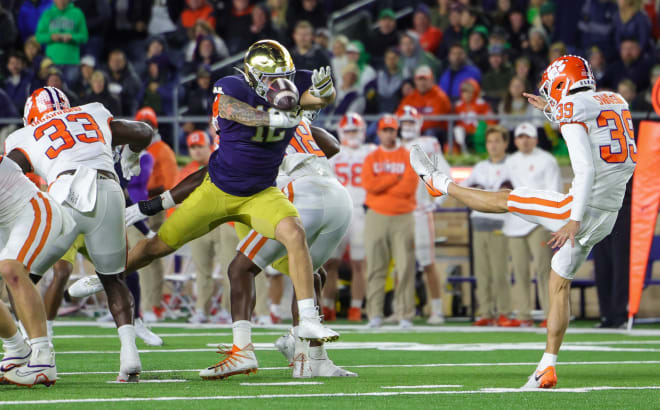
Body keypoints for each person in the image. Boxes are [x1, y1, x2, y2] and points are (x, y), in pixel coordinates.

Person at [410, 55, 636, 388]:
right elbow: (597, 130)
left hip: (578, 209)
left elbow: (585, 167)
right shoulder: (616, 99)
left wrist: (573, 219)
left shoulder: (573, 108)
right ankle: (547, 365)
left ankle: (439, 184)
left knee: (505, 199)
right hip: (607, 213)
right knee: (558, 282)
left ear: (562, 83)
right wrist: (552, 108)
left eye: (553, 89)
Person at [122, 40, 338, 349]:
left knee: (294, 233)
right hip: (218, 190)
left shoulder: (294, 83)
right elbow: (232, 110)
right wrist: (273, 119)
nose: (279, 84)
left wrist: (327, 92)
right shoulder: (232, 87)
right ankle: (110, 272)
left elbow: (320, 100)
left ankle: (307, 319)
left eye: (284, 76)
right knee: (158, 246)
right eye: (269, 78)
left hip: (261, 192)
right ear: (251, 76)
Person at [5, 86, 155, 382]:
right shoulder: (92, 112)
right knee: (113, 279)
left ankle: (33, 354)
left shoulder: (24, 135)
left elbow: (9, 176)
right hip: (110, 191)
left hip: (64, 193)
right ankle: (129, 356)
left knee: (20, 276)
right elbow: (143, 131)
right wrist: (132, 156)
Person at [200, 119, 356, 379]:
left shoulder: (242, 128)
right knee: (310, 275)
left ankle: (242, 350)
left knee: (240, 269)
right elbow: (332, 145)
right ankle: (310, 358)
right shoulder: (289, 120)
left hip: (296, 195)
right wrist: (298, 126)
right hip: (337, 196)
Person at [0, 153, 72, 387]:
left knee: (11, 268)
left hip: (31, 208)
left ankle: (42, 359)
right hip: (5, 221)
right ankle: (17, 351)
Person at [362, 115, 418, 329]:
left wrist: (382, 183)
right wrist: (393, 178)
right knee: (376, 267)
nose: (388, 134)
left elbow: (408, 187)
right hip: (376, 214)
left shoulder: (407, 156)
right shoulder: (371, 157)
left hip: (404, 215)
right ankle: (374, 313)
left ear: (397, 132)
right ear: (379, 133)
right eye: (385, 130)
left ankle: (404, 314)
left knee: (405, 267)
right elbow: (369, 184)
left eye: (392, 130)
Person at [503, 122, 560, 328]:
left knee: (544, 270)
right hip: (515, 222)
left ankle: (550, 314)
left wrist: (551, 221)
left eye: (528, 136)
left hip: (539, 222)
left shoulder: (547, 160)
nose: (524, 140)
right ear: (516, 140)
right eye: (520, 137)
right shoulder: (510, 161)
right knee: (519, 271)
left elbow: (554, 191)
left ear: (535, 139)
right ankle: (524, 315)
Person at [398, 106, 448, 325]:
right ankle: (402, 309)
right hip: (400, 212)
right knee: (401, 263)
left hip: (420, 211)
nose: (407, 127)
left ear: (418, 123)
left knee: (427, 262)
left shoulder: (428, 144)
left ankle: (436, 309)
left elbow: (444, 172)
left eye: (411, 122)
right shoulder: (395, 146)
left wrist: (436, 202)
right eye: (404, 122)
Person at [460, 125, 513, 326]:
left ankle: (505, 312)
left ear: (505, 144)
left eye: (497, 141)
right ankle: (485, 312)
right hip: (479, 222)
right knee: (482, 273)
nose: (493, 145)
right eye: (490, 141)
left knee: (500, 271)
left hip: (500, 223)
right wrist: (476, 191)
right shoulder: (480, 167)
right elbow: (464, 186)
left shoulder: (512, 166)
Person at [325, 113, 375, 322]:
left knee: (359, 262)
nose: (353, 135)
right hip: (337, 209)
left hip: (361, 210)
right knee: (330, 262)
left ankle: (355, 307)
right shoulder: (333, 151)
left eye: (356, 130)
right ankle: (327, 306)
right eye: (349, 131)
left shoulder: (371, 152)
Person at [134, 107, 177, 322]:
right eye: (141, 123)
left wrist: (149, 197)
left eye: (148, 124)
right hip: (138, 208)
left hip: (154, 210)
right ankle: (144, 306)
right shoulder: (138, 149)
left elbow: (170, 184)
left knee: (149, 257)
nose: (145, 128)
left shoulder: (162, 151)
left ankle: (151, 306)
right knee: (140, 257)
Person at [35, 0, 88, 84]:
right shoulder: (47, 13)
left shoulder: (77, 13)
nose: (61, 1)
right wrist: (51, 37)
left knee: (69, 91)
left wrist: (71, 37)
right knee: (53, 92)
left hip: (71, 61)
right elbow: (39, 36)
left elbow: (84, 36)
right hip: (52, 61)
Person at [396, 65, 452, 138]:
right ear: (415, 81)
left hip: (436, 132)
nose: (422, 83)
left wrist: (414, 124)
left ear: (432, 80)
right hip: (413, 129)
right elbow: (399, 114)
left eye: (425, 79)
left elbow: (435, 121)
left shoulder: (440, 97)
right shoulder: (410, 97)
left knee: (429, 131)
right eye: (420, 79)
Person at [453, 78, 497, 153]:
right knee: (457, 129)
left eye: (469, 92)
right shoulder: (458, 105)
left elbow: (490, 120)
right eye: (464, 92)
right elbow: (457, 122)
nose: (467, 95)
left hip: (479, 131)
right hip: (465, 132)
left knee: (481, 127)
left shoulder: (481, 104)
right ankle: (464, 151)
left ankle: (482, 153)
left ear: (475, 92)